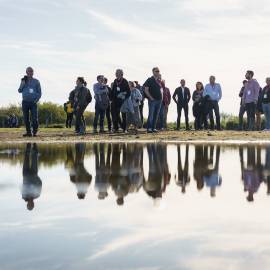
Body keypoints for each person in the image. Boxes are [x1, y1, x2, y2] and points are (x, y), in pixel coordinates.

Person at [18, 67, 42, 137]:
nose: (30, 73)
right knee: (26, 118)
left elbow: (39, 93)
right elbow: (19, 90)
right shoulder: (23, 80)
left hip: (33, 103)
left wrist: (36, 100)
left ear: (33, 72)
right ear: (26, 72)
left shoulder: (36, 81)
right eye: (29, 71)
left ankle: (34, 132)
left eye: (32, 71)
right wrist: (23, 83)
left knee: (35, 118)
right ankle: (28, 132)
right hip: (25, 102)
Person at [21, 143, 42, 211]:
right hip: (34, 173)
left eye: (29, 205)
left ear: (27, 204)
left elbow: (22, 186)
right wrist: (36, 178)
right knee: (34, 157)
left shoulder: (24, 196)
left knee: (26, 157)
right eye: (32, 205)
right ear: (33, 204)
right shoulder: (37, 195)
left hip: (25, 174)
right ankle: (35, 144)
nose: (31, 204)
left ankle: (28, 144)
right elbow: (40, 184)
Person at [143, 67, 163, 133]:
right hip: (152, 100)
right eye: (156, 71)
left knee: (156, 115)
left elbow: (161, 90)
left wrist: (161, 98)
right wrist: (150, 97)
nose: (157, 72)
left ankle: (153, 128)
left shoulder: (159, 80)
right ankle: (149, 128)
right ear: (153, 72)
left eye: (158, 71)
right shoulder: (150, 79)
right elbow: (145, 89)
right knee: (151, 114)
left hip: (159, 100)